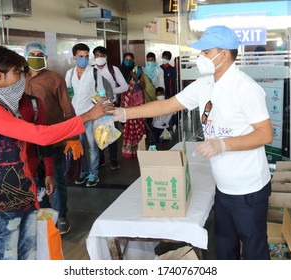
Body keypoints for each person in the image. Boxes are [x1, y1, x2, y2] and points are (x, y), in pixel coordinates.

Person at [113, 25, 273, 260]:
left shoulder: (245, 88)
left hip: (249, 189)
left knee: (253, 250)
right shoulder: (205, 84)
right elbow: (166, 105)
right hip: (224, 187)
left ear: (224, 55)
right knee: (224, 247)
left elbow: (264, 134)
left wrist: (222, 145)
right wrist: (124, 113)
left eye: (206, 52)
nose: (201, 58)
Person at [0, 46, 112, 260]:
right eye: (18, 73)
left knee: (30, 256)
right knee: (7, 260)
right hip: (2, 201)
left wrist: (45, 172)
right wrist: (87, 117)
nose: (23, 78)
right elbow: (41, 135)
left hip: (26, 195)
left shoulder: (10, 107)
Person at [24, 41, 80, 235]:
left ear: (46, 57)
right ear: (26, 57)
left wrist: (72, 136)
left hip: (52, 138)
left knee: (56, 178)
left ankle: (61, 214)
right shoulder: (18, 78)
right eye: (33, 55)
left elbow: (66, 106)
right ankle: (43, 214)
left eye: (40, 55)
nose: (36, 59)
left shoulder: (54, 79)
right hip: (28, 141)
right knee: (35, 181)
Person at [65, 43, 107, 187]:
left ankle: (93, 173)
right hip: (76, 117)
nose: (84, 59)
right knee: (79, 146)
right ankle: (82, 172)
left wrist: (100, 103)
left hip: (91, 114)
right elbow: (67, 93)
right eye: (81, 56)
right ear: (74, 57)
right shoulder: (69, 74)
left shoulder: (94, 72)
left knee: (92, 146)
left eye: (86, 56)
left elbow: (101, 92)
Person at [93, 46, 128, 170]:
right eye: (97, 55)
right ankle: (101, 159)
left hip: (110, 105)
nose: (99, 57)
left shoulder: (113, 70)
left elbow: (125, 86)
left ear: (106, 57)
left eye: (102, 55)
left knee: (111, 131)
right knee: (98, 132)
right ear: (94, 57)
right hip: (95, 107)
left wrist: (110, 91)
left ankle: (113, 159)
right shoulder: (90, 71)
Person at [18, 93, 54, 208]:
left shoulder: (33, 103)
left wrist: (49, 173)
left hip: (32, 171)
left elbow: (44, 139)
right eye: (16, 73)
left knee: (44, 216)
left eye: (21, 74)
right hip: (6, 179)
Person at [119, 52, 146, 158]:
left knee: (139, 125)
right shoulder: (120, 72)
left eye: (130, 60)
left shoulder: (138, 70)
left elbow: (143, 86)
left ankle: (140, 148)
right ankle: (129, 150)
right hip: (126, 102)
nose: (128, 61)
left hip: (137, 102)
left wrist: (135, 77)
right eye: (126, 59)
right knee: (128, 126)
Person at [160, 50, 178, 133]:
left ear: (169, 59)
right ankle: (160, 129)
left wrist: (172, 94)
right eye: (164, 57)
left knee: (169, 112)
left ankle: (169, 129)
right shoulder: (159, 68)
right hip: (159, 93)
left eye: (167, 58)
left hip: (169, 94)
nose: (165, 59)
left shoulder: (172, 70)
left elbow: (173, 83)